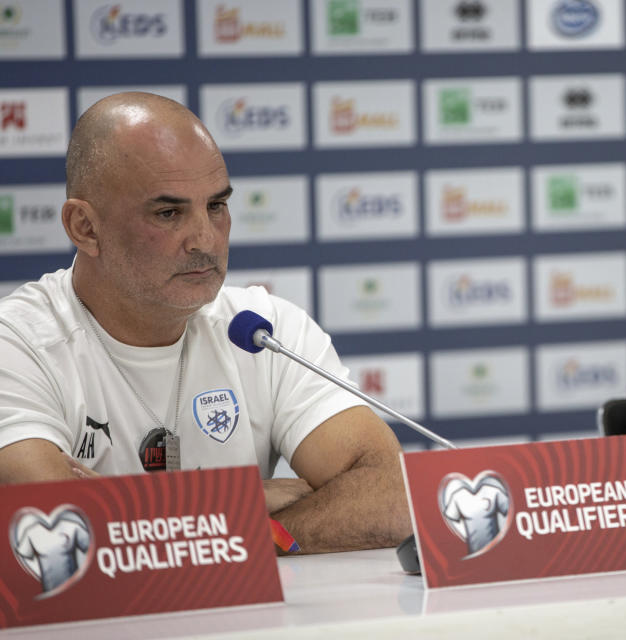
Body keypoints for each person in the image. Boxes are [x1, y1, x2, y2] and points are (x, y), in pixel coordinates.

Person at [0, 92, 412, 554]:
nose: (205, 239)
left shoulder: (262, 330)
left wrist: (234, 534)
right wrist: (248, 505)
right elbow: (56, 529)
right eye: (168, 213)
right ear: (85, 228)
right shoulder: (16, 345)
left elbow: (391, 493)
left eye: (216, 206)